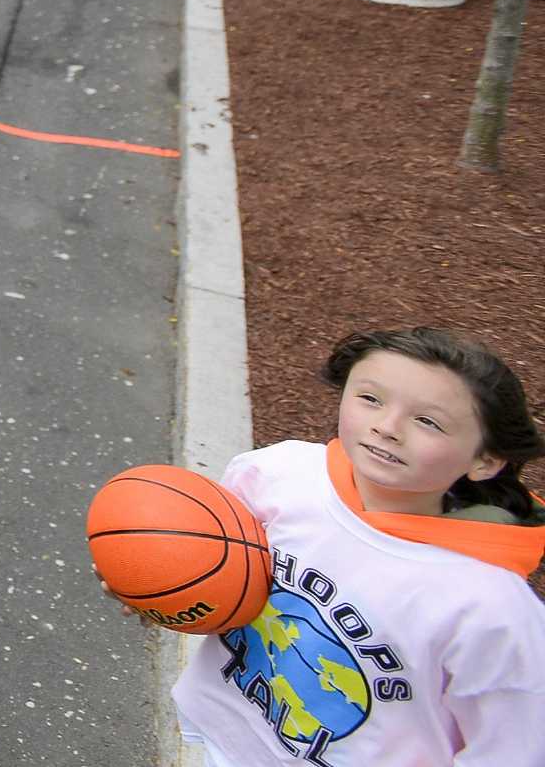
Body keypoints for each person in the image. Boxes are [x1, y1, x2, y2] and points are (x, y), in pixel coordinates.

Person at [147, 327, 545, 765]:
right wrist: (156, 584)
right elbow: (213, 578)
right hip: (229, 743)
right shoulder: (279, 473)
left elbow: (512, 749)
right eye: (370, 398)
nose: (387, 427)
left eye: (428, 421)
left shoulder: (492, 610)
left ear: (485, 460)